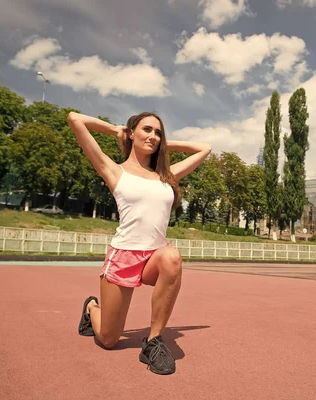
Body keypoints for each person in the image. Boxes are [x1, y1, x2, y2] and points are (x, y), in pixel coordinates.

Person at [67, 111, 211, 375]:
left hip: (153, 258)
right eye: (147, 130)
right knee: (109, 339)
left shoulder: (166, 175)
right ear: (132, 133)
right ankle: (91, 307)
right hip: (124, 257)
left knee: (172, 256)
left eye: (158, 132)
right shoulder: (114, 170)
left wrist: (166, 143)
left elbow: (204, 148)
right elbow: (75, 119)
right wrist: (117, 131)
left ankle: (153, 341)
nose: (153, 136)